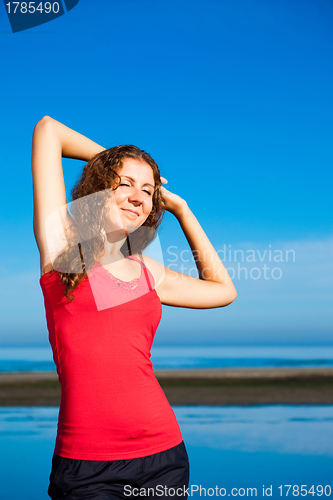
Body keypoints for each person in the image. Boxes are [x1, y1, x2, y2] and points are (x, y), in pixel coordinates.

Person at [31, 116, 238, 500]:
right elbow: (48, 130)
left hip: (164, 455)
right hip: (86, 467)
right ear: (97, 189)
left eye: (147, 191)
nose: (138, 196)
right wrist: (111, 164)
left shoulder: (149, 273)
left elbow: (223, 290)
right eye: (123, 185)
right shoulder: (63, 254)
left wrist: (180, 207)